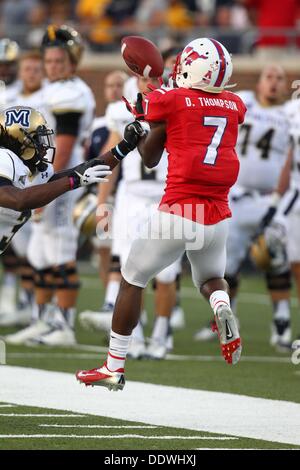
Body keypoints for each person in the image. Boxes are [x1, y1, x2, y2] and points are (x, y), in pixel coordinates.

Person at [76, 37, 247, 391]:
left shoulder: (169, 100)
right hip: (217, 216)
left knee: (132, 278)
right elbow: (190, 110)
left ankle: (113, 365)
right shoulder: (235, 104)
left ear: (191, 66)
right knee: (210, 279)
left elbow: (150, 157)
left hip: (178, 210)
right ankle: (220, 304)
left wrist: (142, 117)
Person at [79, 75, 181, 360]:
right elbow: (112, 154)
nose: (146, 81)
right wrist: (102, 201)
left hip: (166, 192)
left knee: (166, 272)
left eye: (152, 76)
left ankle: (162, 334)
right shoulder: (122, 106)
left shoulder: (175, 100)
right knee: (130, 269)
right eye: (141, 76)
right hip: (131, 195)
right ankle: (134, 336)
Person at [195, 65, 293, 349]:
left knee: (275, 261)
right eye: (269, 77)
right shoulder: (244, 101)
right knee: (226, 266)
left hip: (271, 199)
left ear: (286, 86)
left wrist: (279, 200)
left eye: (279, 78)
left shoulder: (290, 115)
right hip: (235, 196)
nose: (273, 83)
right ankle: (225, 321)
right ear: (260, 83)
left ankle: (282, 324)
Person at [23, 24, 96, 347]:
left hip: (63, 178)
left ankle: (64, 325)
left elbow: (63, 145)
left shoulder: (72, 91)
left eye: (58, 61)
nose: (52, 66)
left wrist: (45, 184)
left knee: (61, 250)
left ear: (72, 61)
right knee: (40, 253)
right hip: (46, 177)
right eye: (49, 61)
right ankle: (42, 320)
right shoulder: (53, 90)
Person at [0, 50, 47, 328]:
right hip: (10, 172)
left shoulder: (50, 94)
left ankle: (33, 307)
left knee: (33, 250)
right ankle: (20, 302)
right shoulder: (11, 96)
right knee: (18, 248)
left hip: (28, 171)